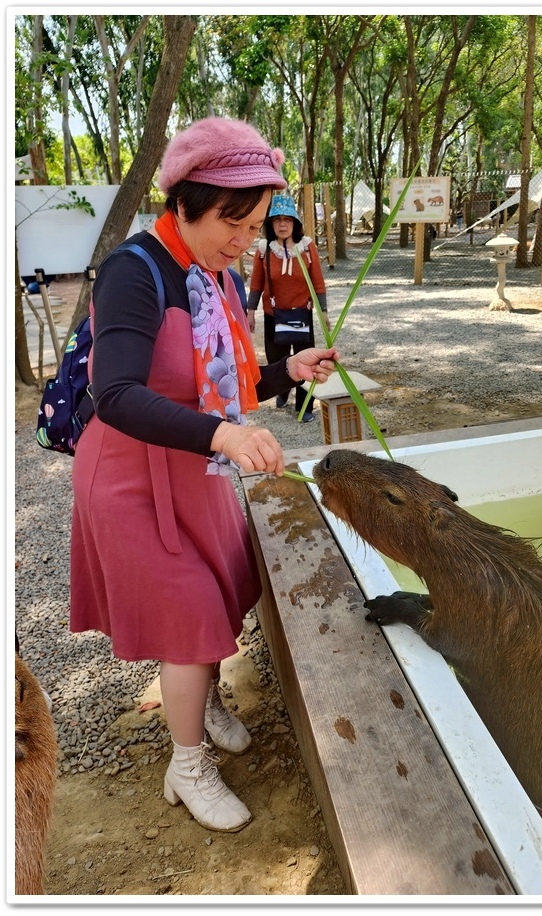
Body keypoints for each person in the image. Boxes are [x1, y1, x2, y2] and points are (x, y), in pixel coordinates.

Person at [69, 117, 339, 833]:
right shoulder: (135, 269)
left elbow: (223, 381)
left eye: (254, 226)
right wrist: (223, 432)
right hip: (132, 471)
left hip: (194, 459)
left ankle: (202, 698)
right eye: (234, 221)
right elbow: (117, 395)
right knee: (188, 612)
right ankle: (186, 766)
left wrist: (288, 371)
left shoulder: (210, 272)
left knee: (222, 591)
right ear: (185, 201)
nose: (245, 240)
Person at [246, 195, 330, 423]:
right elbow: (256, 284)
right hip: (274, 316)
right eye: (277, 220)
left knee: (307, 361)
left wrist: (323, 311)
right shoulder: (264, 250)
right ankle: (282, 391)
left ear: (295, 223)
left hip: (301, 315)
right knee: (277, 361)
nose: (283, 224)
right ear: (271, 224)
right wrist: (250, 311)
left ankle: (305, 408)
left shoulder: (307, 248)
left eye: (288, 220)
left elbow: (318, 282)